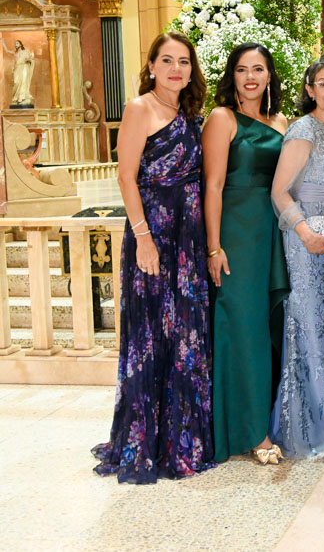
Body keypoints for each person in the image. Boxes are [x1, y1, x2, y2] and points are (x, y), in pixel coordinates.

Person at [92, 32, 215, 483]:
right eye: (167, 60)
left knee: (186, 335)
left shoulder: (191, 114)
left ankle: (184, 441)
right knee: (151, 335)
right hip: (154, 232)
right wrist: (143, 239)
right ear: (151, 66)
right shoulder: (139, 108)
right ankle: (145, 442)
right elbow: (126, 178)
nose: (175, 69)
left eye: (183, 61)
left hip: (189, 238)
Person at [202, 43, 290, 465]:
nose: (250, 77)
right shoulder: (221, 118)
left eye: (258, 69)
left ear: (270, 75)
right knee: (242, 329)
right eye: (242, 69)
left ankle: (264, 419)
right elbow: (213, 186)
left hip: (271, 232)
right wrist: (214, 246)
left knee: (269, 328)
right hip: (236, 234)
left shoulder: (281, 121)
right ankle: (253, 432)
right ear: (232, 76)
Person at [269, 54, 324, 458]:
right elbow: (280, 191)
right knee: (309, 325)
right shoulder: (303, 129)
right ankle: (309, 426)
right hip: (306, 242)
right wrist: (305, 232)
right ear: (309, 89)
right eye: (323, 84)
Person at [3, 38, 35, 106]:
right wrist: (2, 42)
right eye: (15, 44)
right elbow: (7, 51)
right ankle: (15, 97)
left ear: (20, 44)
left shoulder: (25, 52)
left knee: (23, 81)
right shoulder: (15, 52)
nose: (15, 45)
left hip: (24, 68)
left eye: (17, 43)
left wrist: (28, 60)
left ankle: (21, 97)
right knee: (16, 82)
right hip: (17, 69)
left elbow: (31, 58)